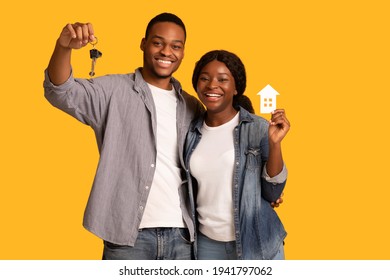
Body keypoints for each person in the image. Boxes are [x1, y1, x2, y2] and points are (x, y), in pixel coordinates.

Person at [43, 13, 205, 260]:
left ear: (183, 52)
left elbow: (213, 160)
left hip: (182, 238)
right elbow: (61, 92)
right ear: (143, 43)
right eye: (158, 42)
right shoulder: (114, 91)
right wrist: (63, 47)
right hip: (128, 239)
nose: (166, 52)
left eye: (176, 46)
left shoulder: (192, 107)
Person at [184, 50, 290, 260]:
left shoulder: (258, 127)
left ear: (235, 88)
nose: (212, 85)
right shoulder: (191, 133)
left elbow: (272, 192)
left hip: (257, 242)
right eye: (204, 78)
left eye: (222, 79)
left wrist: (275, 144)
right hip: (207, 246)